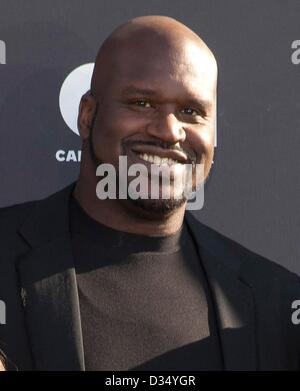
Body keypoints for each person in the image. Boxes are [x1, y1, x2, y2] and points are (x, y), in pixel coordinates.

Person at [0, 15, 299, 371]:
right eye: (143, 103)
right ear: (86, 115)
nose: (170, 131)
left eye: (191, 111)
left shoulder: (275, 303)